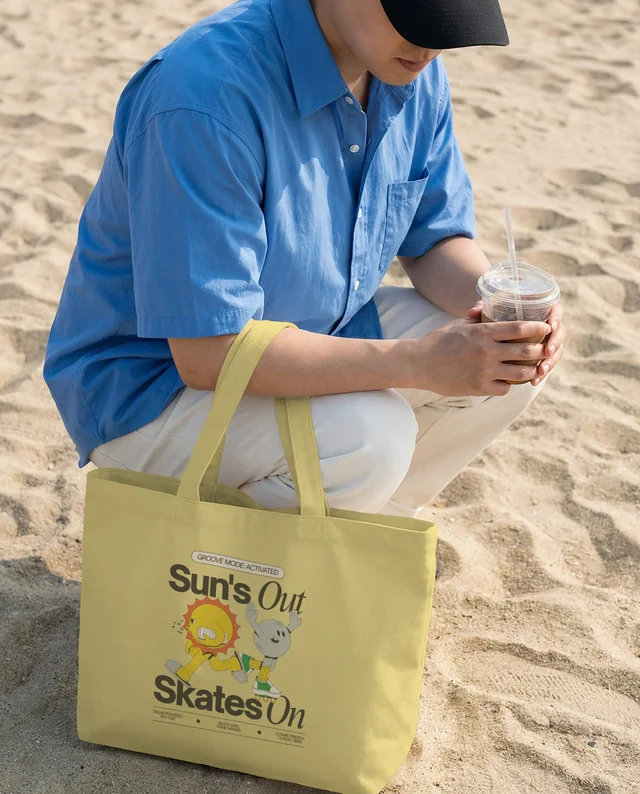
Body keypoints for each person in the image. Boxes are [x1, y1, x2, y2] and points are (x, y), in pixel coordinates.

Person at [44, 0, 566, 518]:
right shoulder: (204, 96)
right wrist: (423, 362)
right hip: (154, 387)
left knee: (507, 365)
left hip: (315, 330)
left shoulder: (406, 67)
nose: (431, 46)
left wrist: (506, 308)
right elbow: (209, 353)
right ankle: (217, 567)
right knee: (369, 437)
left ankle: (352, 540)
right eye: (415, 18)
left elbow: (432, 241)